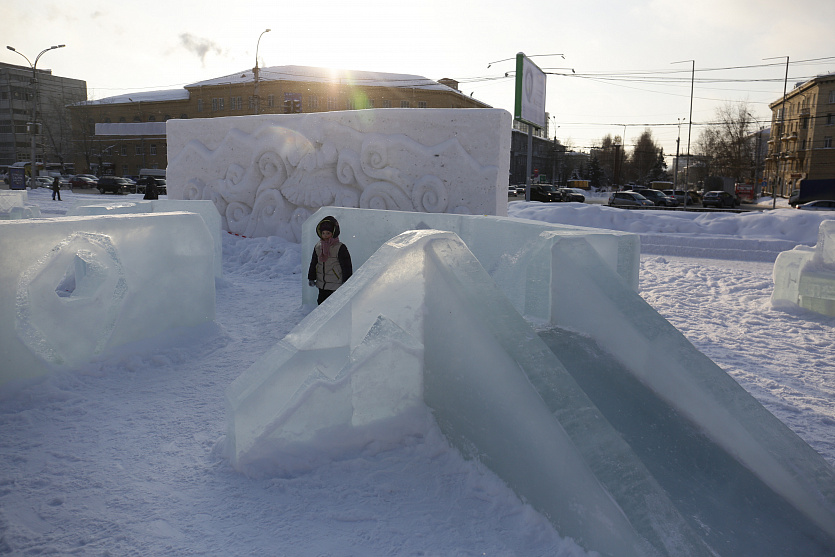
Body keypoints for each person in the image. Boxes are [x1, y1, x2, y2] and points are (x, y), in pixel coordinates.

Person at [308, 215, 352, 305]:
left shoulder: (340, 247)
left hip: (335, 283)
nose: (325, 236)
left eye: (328, 233)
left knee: (333, 306)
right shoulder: (318, 246)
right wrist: (311, 277)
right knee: (321, 303)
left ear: (334, 233)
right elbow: (314, 263)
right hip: (322, 283)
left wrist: (346, 280)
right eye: (323, 233)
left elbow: (346, 265)